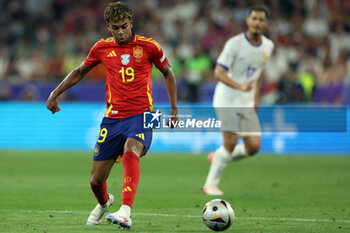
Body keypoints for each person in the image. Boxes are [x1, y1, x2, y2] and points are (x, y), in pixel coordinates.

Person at [46, 1, 178, 229]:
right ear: (108, 26)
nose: (120, 31)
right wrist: (55, 93)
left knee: (131, 150)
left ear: (131, 23)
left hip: (144, 114)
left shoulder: (149, 46)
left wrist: (174, 108)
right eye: (115, 27)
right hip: (113, 117)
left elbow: (168, 72)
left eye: (124, 26)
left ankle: (125, 211)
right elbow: (79, 71)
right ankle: (105, 202)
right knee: (96, 181)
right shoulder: (101, 48)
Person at [203, 6, 274, 196]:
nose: (257, 22)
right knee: (231, 141)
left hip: (246, 100)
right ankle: (210, 184)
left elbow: (259, 73)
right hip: (226, 98)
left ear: (265, 24)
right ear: (248, 21)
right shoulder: (234, 44)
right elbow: (218, 72)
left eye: (261, 20)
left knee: (253, 146)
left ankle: (218, 157)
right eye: (254, 19)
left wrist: (255, 98)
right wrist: (239, 86)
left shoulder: (268, 46)